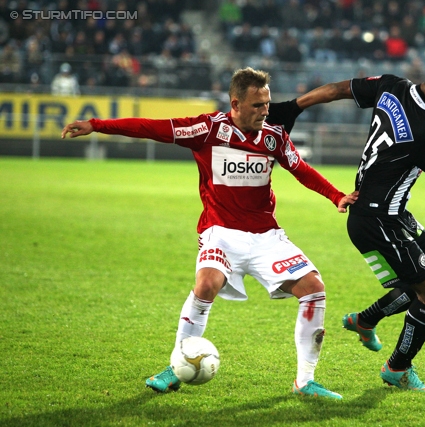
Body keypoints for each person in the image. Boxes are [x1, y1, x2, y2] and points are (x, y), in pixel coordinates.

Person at [60, 67, 357, 399]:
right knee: (206, 284)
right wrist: (96, 125)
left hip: (265, 235)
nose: (266, 111)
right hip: (221, 232)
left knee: (314, 289)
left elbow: (301, 169)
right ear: (236, 103)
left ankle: (305, 381)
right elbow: (151, 128)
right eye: (258, 105)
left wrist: (336, 196)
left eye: (267, 103)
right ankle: (175, 367)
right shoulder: (208, 129)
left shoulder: (273, 137)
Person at [267, 50, 425, 392]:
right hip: (376, 221)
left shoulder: (391, 86)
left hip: (394, 214)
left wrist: (295, 106)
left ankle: (367, 320)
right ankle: (397, 368)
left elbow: (337, 89)